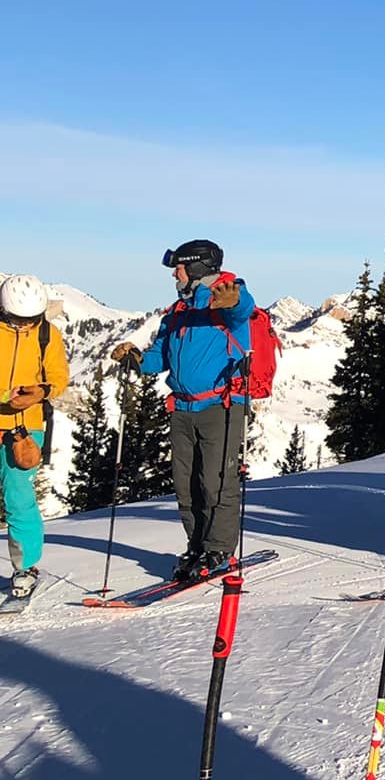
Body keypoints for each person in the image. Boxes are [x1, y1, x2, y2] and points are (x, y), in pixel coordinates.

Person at [110, 239, 257, 582]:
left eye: (177, 267)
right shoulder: (178, 312)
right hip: (182, 409)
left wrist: (233, 300)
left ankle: (218, 548)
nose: (174, 274)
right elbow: (160, 357)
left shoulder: (226, 299)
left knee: (216, 481)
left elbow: (242, 307)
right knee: (185, 484)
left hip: (220, 406)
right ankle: (197, 545)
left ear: (195, 267)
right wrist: (136, 360)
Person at [1, 274, 68, 601]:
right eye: (17, 320)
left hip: (25, 429)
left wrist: (40, 391)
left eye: (30, 320)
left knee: (19, 498)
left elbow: (58, 378)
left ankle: (25, 567)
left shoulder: (46, 334)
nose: (24, 325)